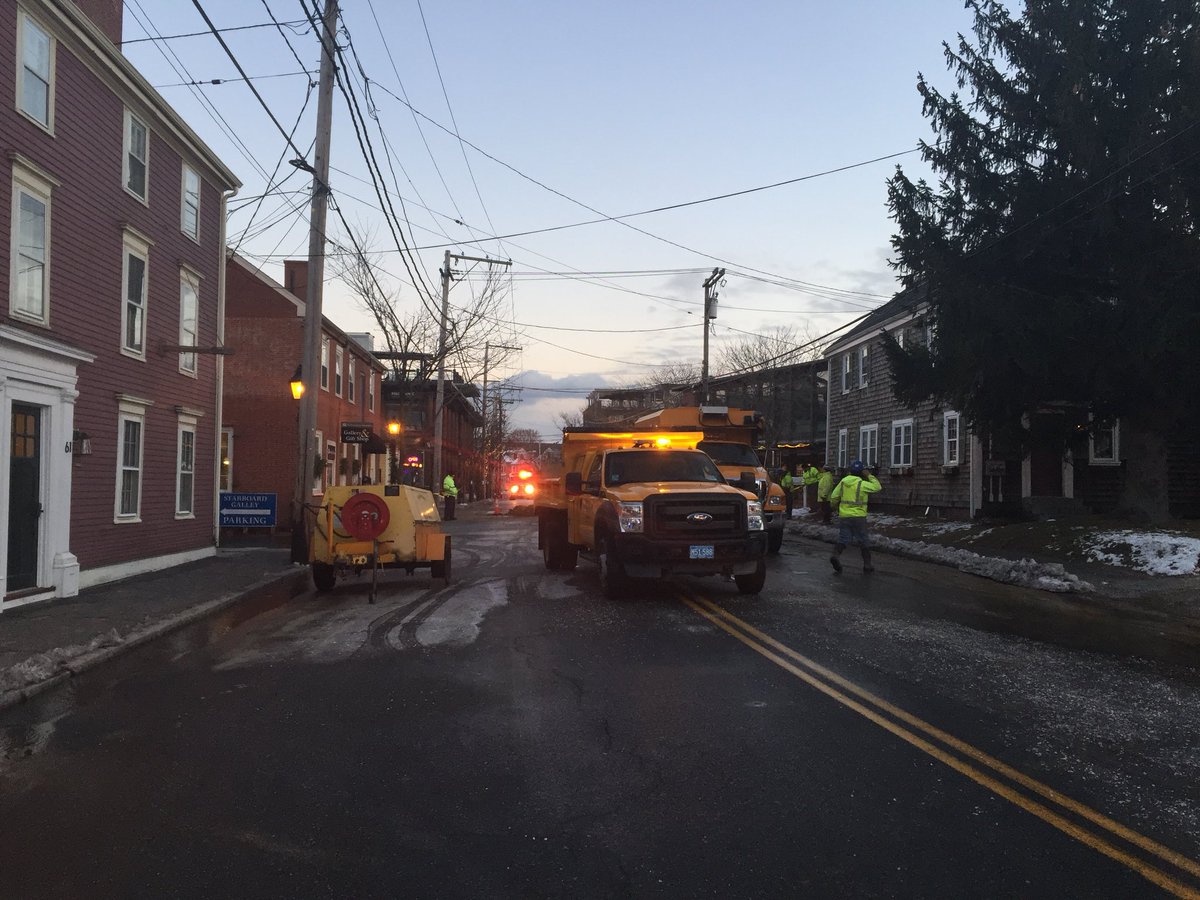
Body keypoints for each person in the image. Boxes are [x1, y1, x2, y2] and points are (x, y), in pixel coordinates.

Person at [829, 460, 881, 574]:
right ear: (861, 472)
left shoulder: (843, 482)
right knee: (863, 541)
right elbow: (877, 487)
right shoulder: (862, 484)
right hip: (859, 517)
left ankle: (835, 555)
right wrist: (869, 475)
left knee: (843, 538)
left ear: (850, 471)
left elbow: (834, 497)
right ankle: (867, 565)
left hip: (844, 516)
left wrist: (834, 507)